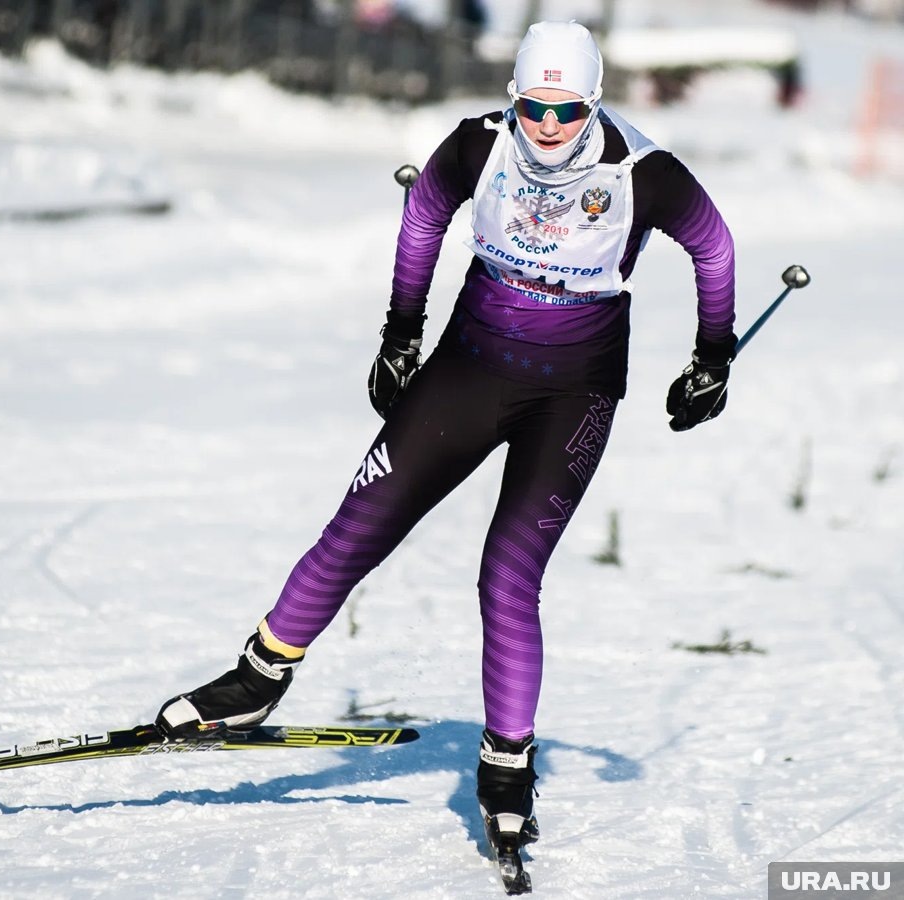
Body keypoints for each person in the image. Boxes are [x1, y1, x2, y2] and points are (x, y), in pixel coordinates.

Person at [155, 18, 736, 885]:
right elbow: (424, 214)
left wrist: (711, 359)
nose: (547, 126)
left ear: (594, 101)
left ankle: (507, 765)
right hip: (469, 363)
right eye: (533, 106)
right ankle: (258, 677)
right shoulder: (478, 148)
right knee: (359, 524)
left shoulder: (642, 173)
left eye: (566, 109)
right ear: (513, 99)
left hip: (573, 390)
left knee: (508, 572)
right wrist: (400, 332)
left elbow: (714, 247)